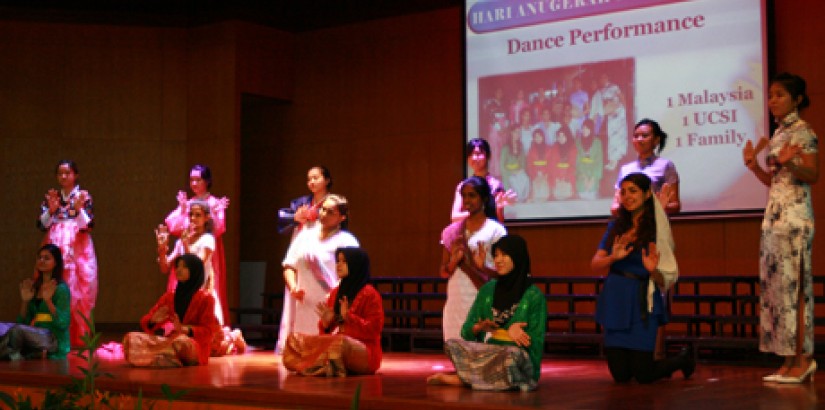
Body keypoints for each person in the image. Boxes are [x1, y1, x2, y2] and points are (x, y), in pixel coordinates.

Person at [742, 72, 819, 384]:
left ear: (796, 99)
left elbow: (812, 174)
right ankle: (788, 361)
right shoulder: (776, 135)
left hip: (795, 218)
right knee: (778, 293)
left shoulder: (803, 132)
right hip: (774, 217)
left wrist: (791, 162)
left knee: (795, 289)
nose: (772, 100)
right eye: (770, 95)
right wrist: (754, 166)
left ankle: (804, 360)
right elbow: (774, 181)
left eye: (779, 95)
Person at [592, 172, 693, 383]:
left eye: (633, 191)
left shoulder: (657, 229)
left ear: (648, 194)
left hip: (641, 298)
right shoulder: (616, 226)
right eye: (623, 191)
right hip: (616, 296)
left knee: (643, 375)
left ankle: (682, 360)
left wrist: (652, 270)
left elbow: (666, 277)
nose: (627, 196)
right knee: (621, 376)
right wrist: (613, 257)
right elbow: (595, 264)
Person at [428, 235, 546, 391]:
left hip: (515, 360)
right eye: (496, 255)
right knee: (452, 345)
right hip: (489, 352)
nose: (498, 260)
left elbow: (537, 345)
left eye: (504, 255)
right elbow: (466, 332)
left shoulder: (533, 295)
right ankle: (484, 379)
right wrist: (478, 328)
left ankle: (465, 379)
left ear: (517, 257)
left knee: (510, 357)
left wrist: (514, 335)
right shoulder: (488, 290)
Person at [157, 201, 246, 356]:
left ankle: (233, 336)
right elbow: (165, 268)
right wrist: (162, 250)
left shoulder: (207, 239)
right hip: (185, 296)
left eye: (197, 215)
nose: (193, 218)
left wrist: (185, 246)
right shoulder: (181, 241)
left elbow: (196, 266)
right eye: (191, 214)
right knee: (187, 344)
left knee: (212, 348)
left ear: (206, 218)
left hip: (203, 294)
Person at [276, 194, 359, 354]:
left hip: (330, 304)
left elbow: (354, 275)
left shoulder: (347, 241)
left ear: (342, 217)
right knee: (304, 354)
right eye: (323, 209)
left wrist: (337, 297)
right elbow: (289, 265)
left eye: (330, 212)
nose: (323, 214)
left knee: (328, 353)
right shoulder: (305, 236)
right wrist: (293, 287)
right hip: (305, 302)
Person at [282, 247, 383, 376]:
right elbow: (327, 334)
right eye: (338, 261)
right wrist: (326, 325)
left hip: (365, 352)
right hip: (336, 344)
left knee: (340, 343)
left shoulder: (370, 294)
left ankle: (319, 367)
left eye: (344, 261)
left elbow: (375, 329)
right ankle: (323, 367)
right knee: (294, 340)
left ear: (355, 264)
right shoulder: (336, 293)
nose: (338, 265)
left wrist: (349, 317)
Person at [37, 160, 97, 347]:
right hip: (55, 243)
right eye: (60, 173)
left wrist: (79, 210)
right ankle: (50, 335)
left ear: (75, 175)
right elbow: (41, 225)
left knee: (79, 291)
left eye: (67, 173)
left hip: (77, 247)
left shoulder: (83, 197)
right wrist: (51, 210)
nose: (63, 177)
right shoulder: (52, 197)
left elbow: (87, 226)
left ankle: (77, 337)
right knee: (53, 285)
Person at [440, 176, 506, 341]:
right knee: (459, 352)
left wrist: (482, 267)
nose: (467, 200)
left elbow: (504, 275)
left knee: (484, 356)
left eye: (472, 195)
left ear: (483, 198)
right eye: (464, 196)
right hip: (457, 300)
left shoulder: (496, 231)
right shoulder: (451, 232)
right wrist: (454, 261)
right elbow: (443, 272)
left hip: (483, 298)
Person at [123, 254, 219, 367]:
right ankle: (167, 358)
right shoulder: (170, 297)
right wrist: (152, 321)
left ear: (194, 271)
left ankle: (160, 357)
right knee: (131, 339)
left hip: (193, 346)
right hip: (171, 341)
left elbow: (208, 332)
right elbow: (146, 321)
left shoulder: (206, 299)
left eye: (184, 267)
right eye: (177, 266)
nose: (178, 270)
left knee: (181, 342)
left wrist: (185, 330)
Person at [164, 164, 230, 325]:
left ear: (206, 181)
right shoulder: (189, 203)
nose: (194, 184)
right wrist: (182, 209)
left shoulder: (214, 202)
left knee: (205, 286)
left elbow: (219, 228)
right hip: (187, 248)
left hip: (206, 251)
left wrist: (214, 212)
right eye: (191, 180)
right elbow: (173, 226)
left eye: (198, 180)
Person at [0, 244, 71, 360]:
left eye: (46, 258)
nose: (42, 261)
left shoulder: (61, 289)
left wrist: (48, 301)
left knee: (17, 331)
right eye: (40, 257)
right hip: (36, 333)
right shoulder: (35, 286)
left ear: (56, 263)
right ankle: (13, 353)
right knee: (2, 327)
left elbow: (63, 323)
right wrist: (25, 301)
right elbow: (24, 321)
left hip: (52, 337)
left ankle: (13, 353)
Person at [611, 119, 680, 215]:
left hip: (655, 224)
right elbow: (614, 207)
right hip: (628, 226)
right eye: (636, 136)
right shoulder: (625, 169)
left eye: (644, 136)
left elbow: (675, 205)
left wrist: (656, 206)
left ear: (656, 140)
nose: (639, 139)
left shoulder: (665, 165)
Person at [451, 138, 515, 222]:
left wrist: (499, 207)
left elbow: (500, 222)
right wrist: (477, 212)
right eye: (470, 155)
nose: (474, 158)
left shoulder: (496, 185)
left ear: (487, 156)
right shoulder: (462, 186)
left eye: (478, 154)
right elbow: (454, 217)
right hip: (470, 233)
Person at [277, 166, 333, 238]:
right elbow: (282, 218)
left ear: (327, 180)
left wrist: (316, 213)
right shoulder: (301, 202)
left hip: (325, 241)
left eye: (315, 178)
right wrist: (295, 217)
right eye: (309, 179)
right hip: (301, 242)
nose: (312, 182)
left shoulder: (334, 202)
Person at [499, 124, 530, 202]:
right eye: (516, 132)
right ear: (511, 133)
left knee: (526, 179)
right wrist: (510, 172)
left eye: (519, 132)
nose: (518, 134)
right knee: (514, 181)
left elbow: (523, 163)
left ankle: (522, 199)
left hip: (518, 172)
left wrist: (520, 171)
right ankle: (515, 199)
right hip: (509, 173)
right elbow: (502, 166)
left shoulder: (521, 147)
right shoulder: (505, 148)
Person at [576, 118, 604, 200]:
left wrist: (592, 179)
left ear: (591, 129)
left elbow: (599, 162)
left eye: (587, 128)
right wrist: (584, 178)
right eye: (583, 128)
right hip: (581, 174)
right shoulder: (578, 142)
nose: (585, 130)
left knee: (592, 192)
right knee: (582, 192)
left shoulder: (597, 142)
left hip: (593, 175)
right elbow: (577, 161)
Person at [548, 125, 577, 200]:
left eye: (563, 136)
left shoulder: (572, 148)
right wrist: (557, 178)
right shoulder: (554, 147)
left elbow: (573, 165)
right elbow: (552, 165)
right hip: (556, 177)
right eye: (559, 136)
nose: (561, 138)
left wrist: (566, 178)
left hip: (568, 177)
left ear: (567, 136)